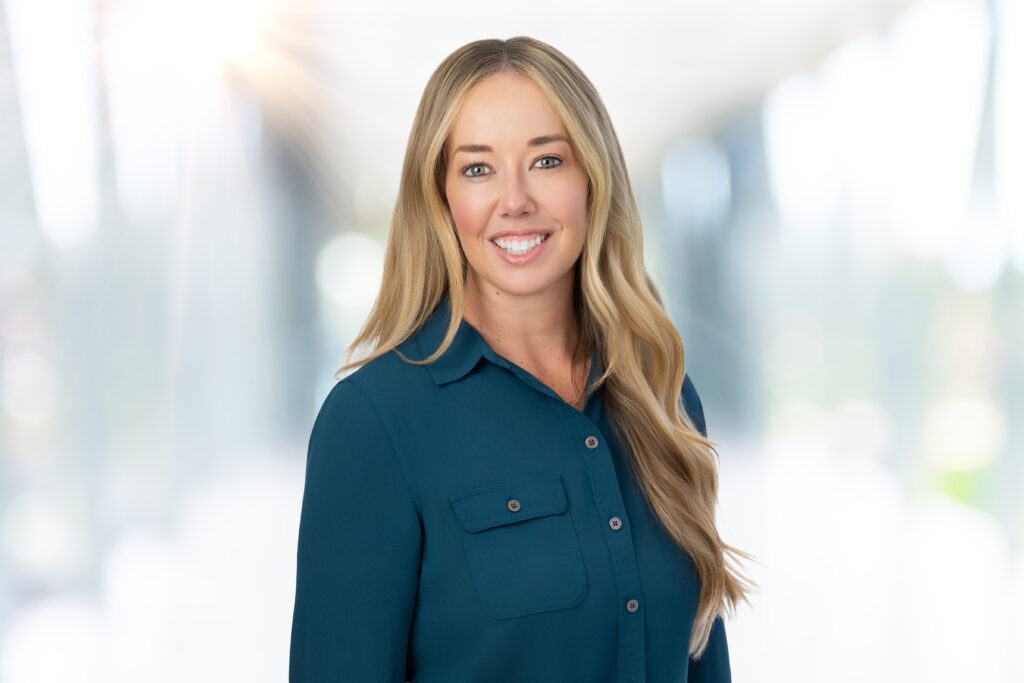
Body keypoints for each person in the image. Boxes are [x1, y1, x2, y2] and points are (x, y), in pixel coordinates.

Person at [289, 36, 754, 682]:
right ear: (441, 197)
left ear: (592, 177)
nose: (514, 200)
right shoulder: (372, 422)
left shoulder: (662, 395)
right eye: (478, 168)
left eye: (546, 160)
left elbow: (704, 659)